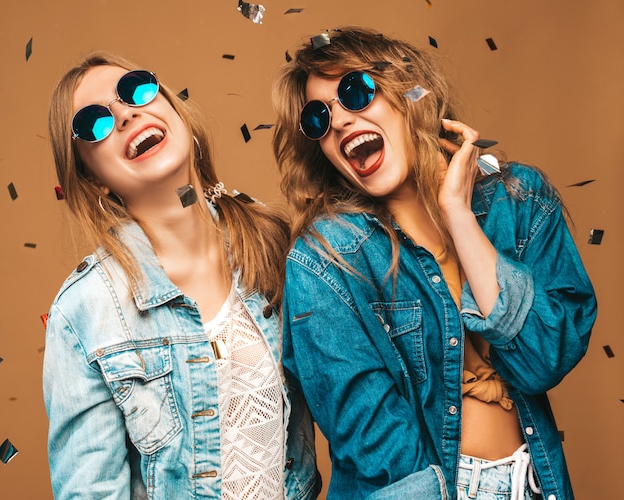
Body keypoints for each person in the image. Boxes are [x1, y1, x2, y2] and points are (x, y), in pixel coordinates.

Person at [272, 27, 597, 499]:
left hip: (536, 482)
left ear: (409, 93)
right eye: (319, 119)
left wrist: (459, 217)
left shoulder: (517, 199)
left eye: (355, 92)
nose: (340, 121)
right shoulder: (326, 258)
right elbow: (372, 441)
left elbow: (545, 360)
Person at [42, 51, 320, 500]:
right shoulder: (85, 311)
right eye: (95, 122)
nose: (128, 114)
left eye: (136, 89)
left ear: (172, 108)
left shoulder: (273, 246)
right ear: (93, 180)